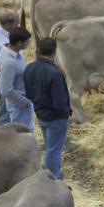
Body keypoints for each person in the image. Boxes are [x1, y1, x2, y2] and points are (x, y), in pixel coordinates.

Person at [23, 38, 71, 179]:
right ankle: (51, 178)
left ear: (38, 50)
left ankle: (52, 173)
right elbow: (59, 101)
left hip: (40, 114)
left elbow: (28, 94)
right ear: (54, 52)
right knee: (53, 150)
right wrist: (65, 113)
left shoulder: (29, 68)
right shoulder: (55, 73)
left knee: (49, 146)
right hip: (56, 118)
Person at [0, 27, 34, 130]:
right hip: (19, 106)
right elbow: (6, 91)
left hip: (23, 101)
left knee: (27, 131)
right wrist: (26, 102)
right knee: (21, 135)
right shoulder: (8, 63)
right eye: (27, 42)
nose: (28, 44)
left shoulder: (16, 53)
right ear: (19, 43)